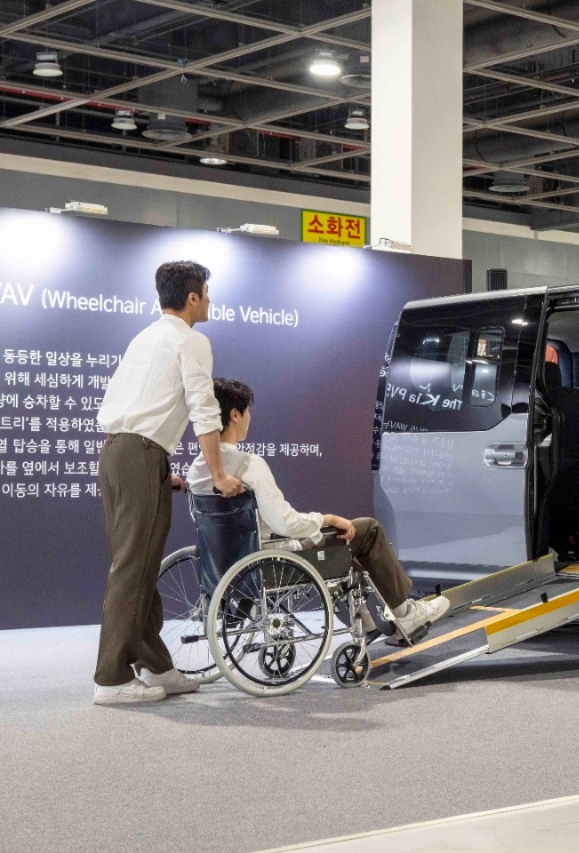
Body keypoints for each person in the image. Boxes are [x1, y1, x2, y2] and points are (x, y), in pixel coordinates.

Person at [186, 378, 449, 644]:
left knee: (342, 545)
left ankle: (369, 624)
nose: (249, 418)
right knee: (367, 530)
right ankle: (405, 613)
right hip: (271, 563)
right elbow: (286, 524)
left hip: (224, 566)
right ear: (235, 414)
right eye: (247, 412)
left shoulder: (197, 470)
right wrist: (327, 519)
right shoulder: (248, 464)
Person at [93, 261, 245, 706]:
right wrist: (218, 475)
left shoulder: (145, 337)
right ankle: (110, 679)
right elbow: (204, 411)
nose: (210, 301)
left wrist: (160, 470)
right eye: (207, 294)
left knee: (137, 566)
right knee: (132, 569)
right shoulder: (191, 340)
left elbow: (137, 407)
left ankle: (157, 666)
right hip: (140, 456)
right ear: (192, 298)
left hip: (121, 454)